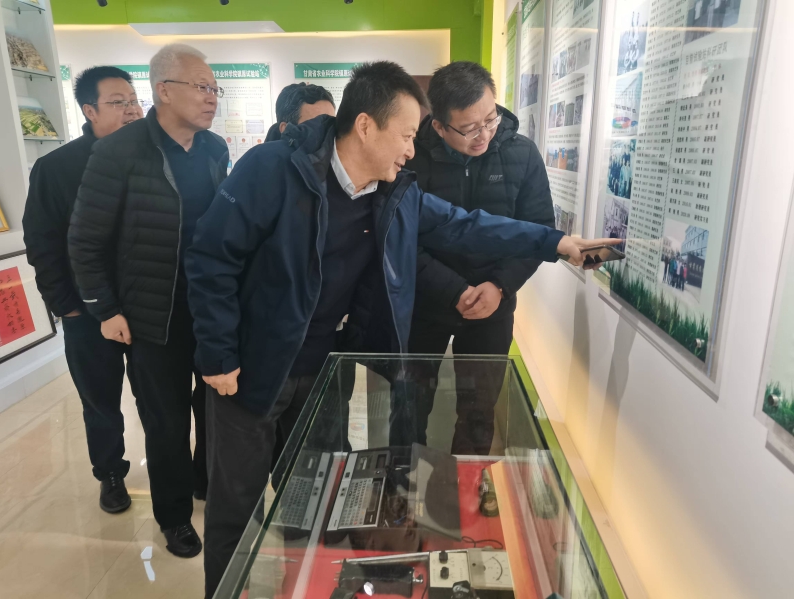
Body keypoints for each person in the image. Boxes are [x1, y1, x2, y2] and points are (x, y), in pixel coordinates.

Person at [184, 60, 619, 596]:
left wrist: (555, 243)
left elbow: (466, 226)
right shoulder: (273, 169)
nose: (412, 151)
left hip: (322, 369)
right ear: (366, 126)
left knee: (314, 498)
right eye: (408, 136)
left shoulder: (391, 190)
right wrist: (218, 354)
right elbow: (210, 258)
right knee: (236, 509)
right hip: (250, 367)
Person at [68, 43, 229, 559]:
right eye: (201, 87)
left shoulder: (214, 149)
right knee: (165, 421)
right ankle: (174, 516)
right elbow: (84, 240)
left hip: (208, 309)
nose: (212, 98)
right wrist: (105, 308)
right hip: (150, 317)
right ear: (164, 90)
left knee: (213, 408)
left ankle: (206, 482)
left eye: (215, 88)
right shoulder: (118, 152)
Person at [401, 61, 556, 455]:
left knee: (478, 413)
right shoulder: (411, 155)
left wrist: (500, 286)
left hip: (493, 306)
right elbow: (401, 239)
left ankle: (469, 484)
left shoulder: (522, 153)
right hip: (426, 303)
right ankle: (401, 482)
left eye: (490, 119)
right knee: (408, 406)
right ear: (439, 126)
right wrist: (452, 290)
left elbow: (537, 228)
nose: (484, 134)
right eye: (469, 128)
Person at [23, 66, 142, 514]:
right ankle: (110, 474)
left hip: (146, 308)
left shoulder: (153, 159)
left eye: (134, 100)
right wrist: (66, 307)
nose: (132, 110)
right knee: (100, 400)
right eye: (118, 102)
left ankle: (172, 470)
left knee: (158, 398)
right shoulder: (57, 168)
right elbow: (42, 243)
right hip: (87, 312)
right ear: (89, 111)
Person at [263, 83, 335, 142]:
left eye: (332, 125)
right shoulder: (263, 155)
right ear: (285, 130)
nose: (329, 135)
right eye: (315, 126)